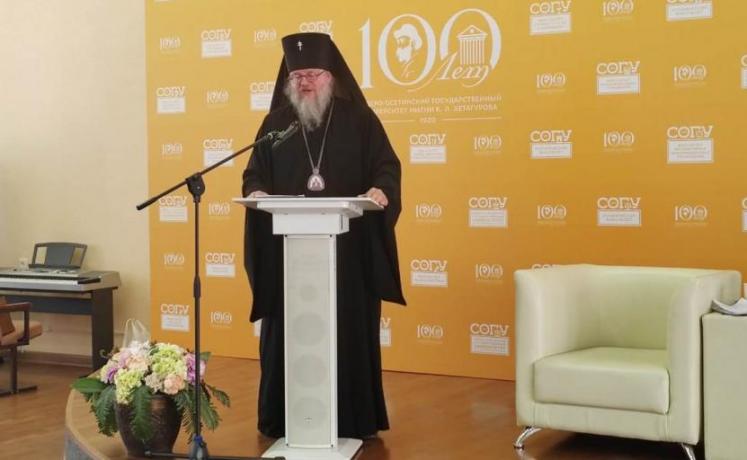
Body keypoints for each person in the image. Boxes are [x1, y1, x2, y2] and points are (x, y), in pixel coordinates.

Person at [242, 32, 406, 440]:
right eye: (297, 76)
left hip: (348, 256)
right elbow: (253, 173)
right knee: (288, 331)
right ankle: (282, 418)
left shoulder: (360, 120)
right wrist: (256, 191)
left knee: (347, 330)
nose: (305, 83)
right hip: (290, 259)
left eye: (312, 74)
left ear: (330, 76)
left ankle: (354, 420)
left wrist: (381, 189)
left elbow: (387, 166)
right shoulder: (276, 125)